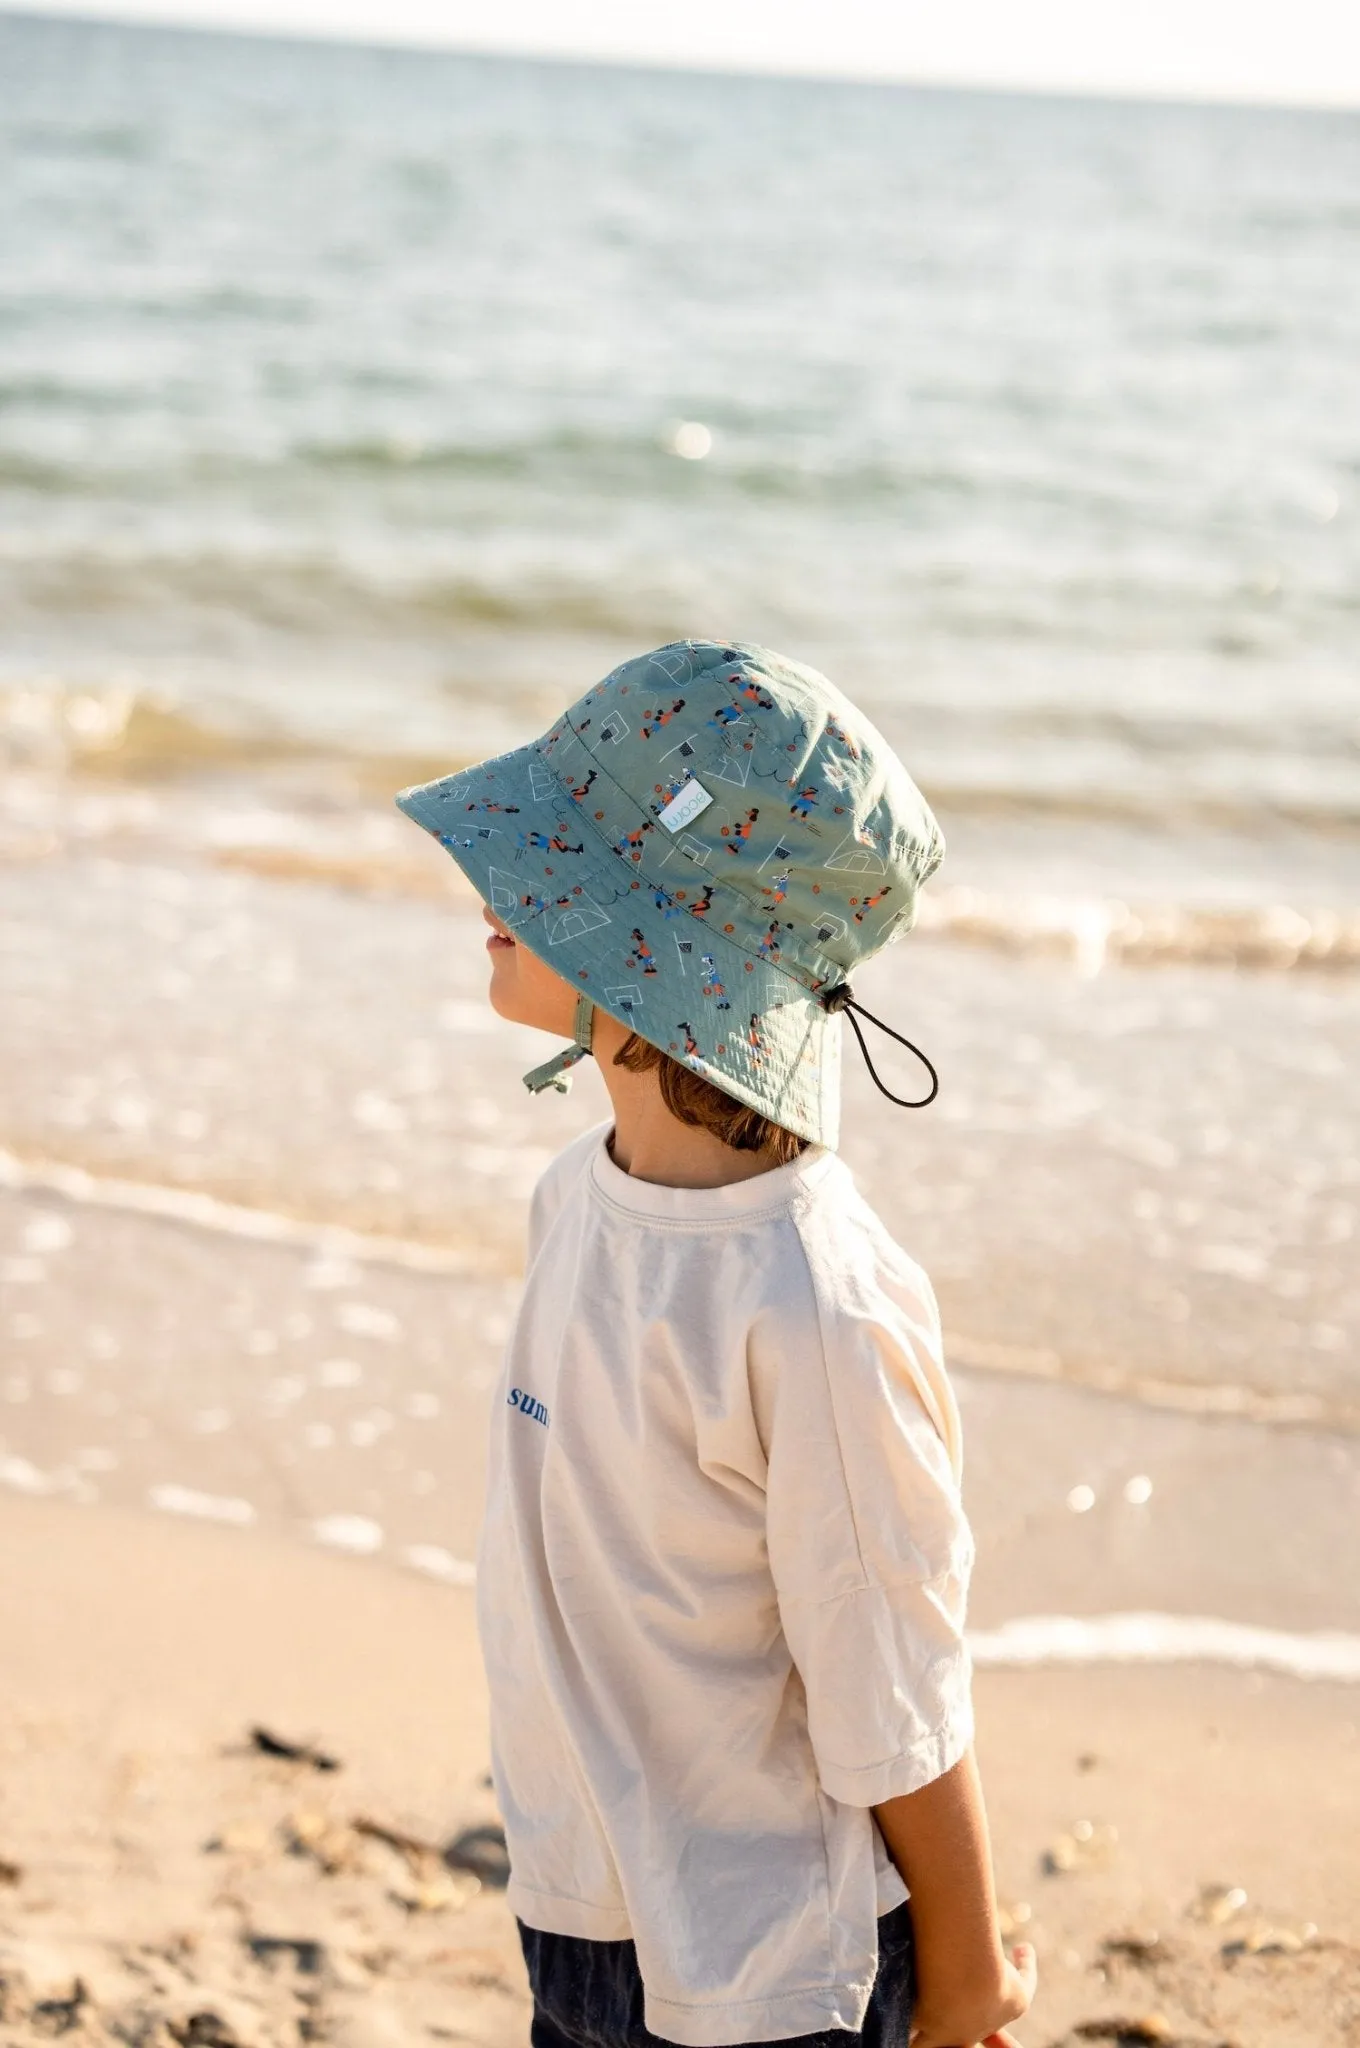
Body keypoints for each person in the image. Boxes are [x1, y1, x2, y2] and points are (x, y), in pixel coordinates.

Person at [396, 641, 1036, 2048]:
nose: (493, 892)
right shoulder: (574, 1201)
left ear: (662, 961)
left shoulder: (813, 1303)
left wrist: (971, 1965)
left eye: (551, 867)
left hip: (775, 1968)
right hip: (586, 1906)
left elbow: (894, 1671)